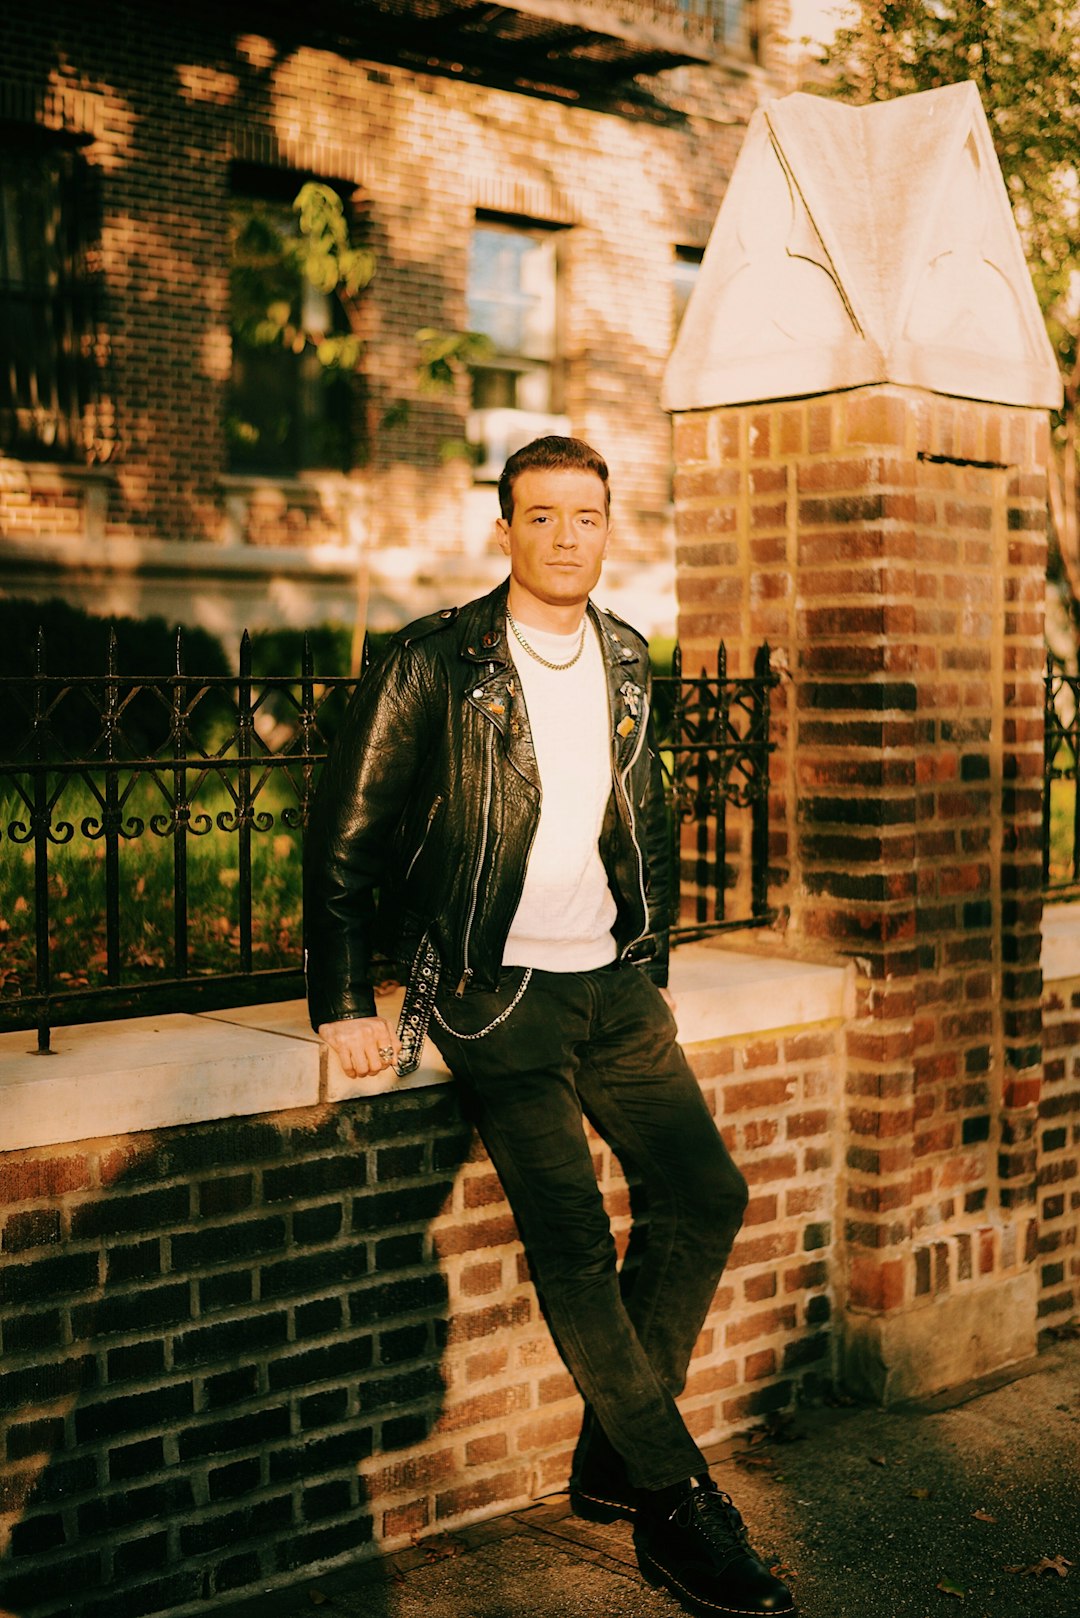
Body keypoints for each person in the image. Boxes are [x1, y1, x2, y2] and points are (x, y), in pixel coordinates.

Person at [304, 436, 794, 1618]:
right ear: (505, 529)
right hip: (492, 987)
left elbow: (645, 813)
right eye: (543, 515)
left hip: (610, 984)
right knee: (572, 1241)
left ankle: (614, 1456)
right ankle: (677, 1506)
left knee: (704, 1191)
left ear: (607, 527)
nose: (568, 535)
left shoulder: (625, 653)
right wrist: (339, 1001)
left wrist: (650, 958)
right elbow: (344, 834)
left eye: (588, 515)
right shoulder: (437, 660)